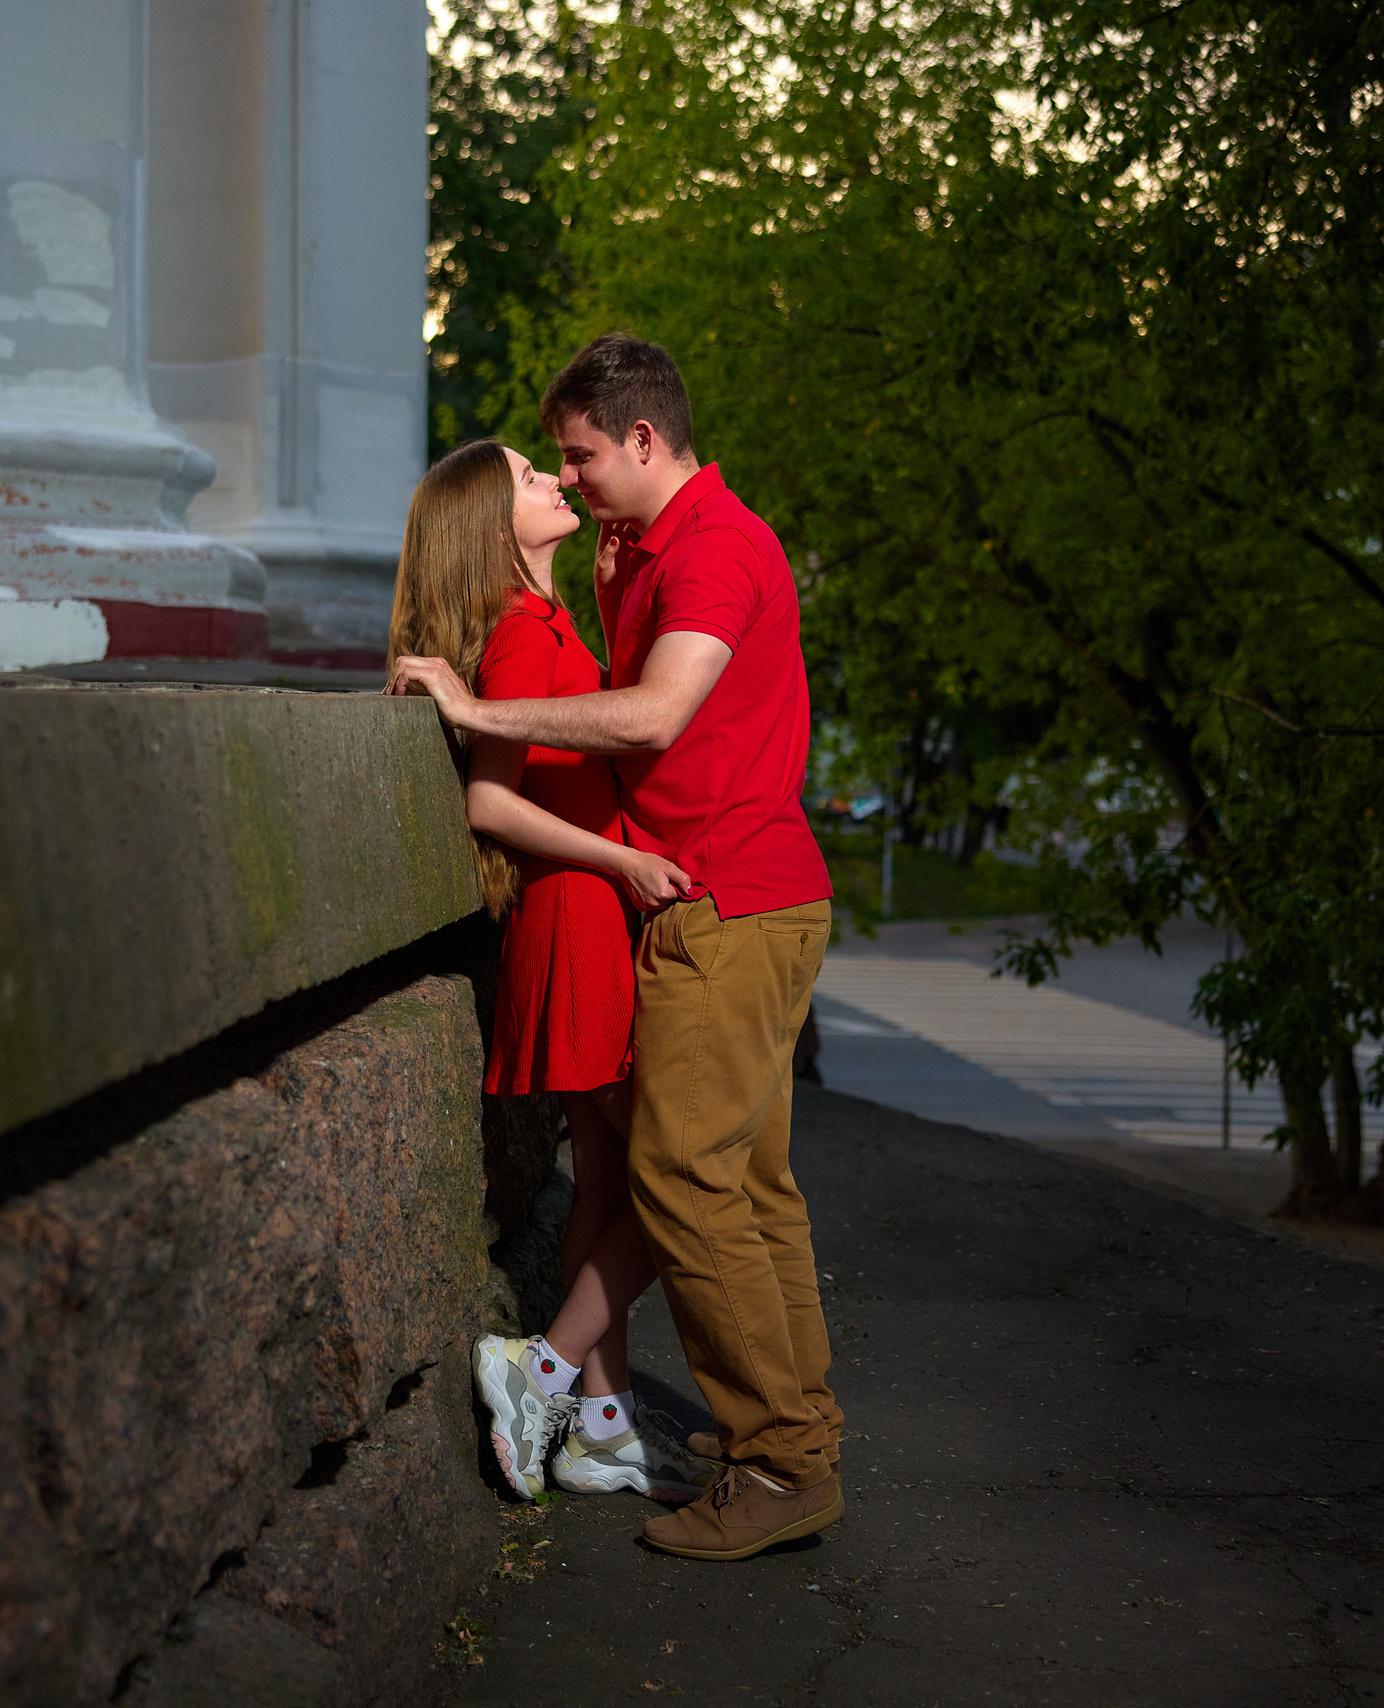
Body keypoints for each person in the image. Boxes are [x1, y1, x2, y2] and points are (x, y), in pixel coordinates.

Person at [388, 334, 843, 1562]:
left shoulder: (714, 548)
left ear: (643, 439)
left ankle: (782, 1461)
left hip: (730, 900)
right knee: (748, 1188)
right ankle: (788, 1443)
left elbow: (652, 713)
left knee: (682, 1180)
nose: (573, 478)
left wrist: (476, 706)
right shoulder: (629, 548)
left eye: (581, 455)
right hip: (708, 901)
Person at [384, 438, 712, 1505]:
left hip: (583, 915)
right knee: (684, 1175)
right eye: (534, 478)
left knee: (617, 1180)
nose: (561, 481)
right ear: (490, 529)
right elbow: (491, 803)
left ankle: (599, 1427)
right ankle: (546, 1367)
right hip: (576, 918)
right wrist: (621, 858)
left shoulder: (552, 619)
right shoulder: (522, 636)